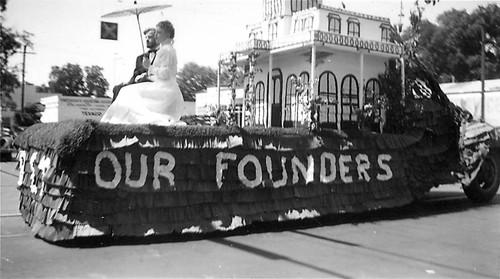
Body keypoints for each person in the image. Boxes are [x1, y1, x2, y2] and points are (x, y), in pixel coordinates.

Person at [101, 20, 185, 126]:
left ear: (167, 35)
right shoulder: (167, 50)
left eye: (158, 33)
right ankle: (118, 122)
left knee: (127, 92)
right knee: (124, 90)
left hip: (164, 89)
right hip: (162, 85)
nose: (155, 35)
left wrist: (149, 68)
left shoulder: (166, 51)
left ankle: (116, 123)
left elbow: (166, 73)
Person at [111, 28, 159, 102]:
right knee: (118, 88)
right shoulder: (140, 58)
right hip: (140, 84)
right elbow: (135, 75)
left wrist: (148, 76)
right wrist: (134, 79)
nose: (147, 39)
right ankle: (115, 113)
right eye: (146, 37)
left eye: (149, 37)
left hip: (156, 85)